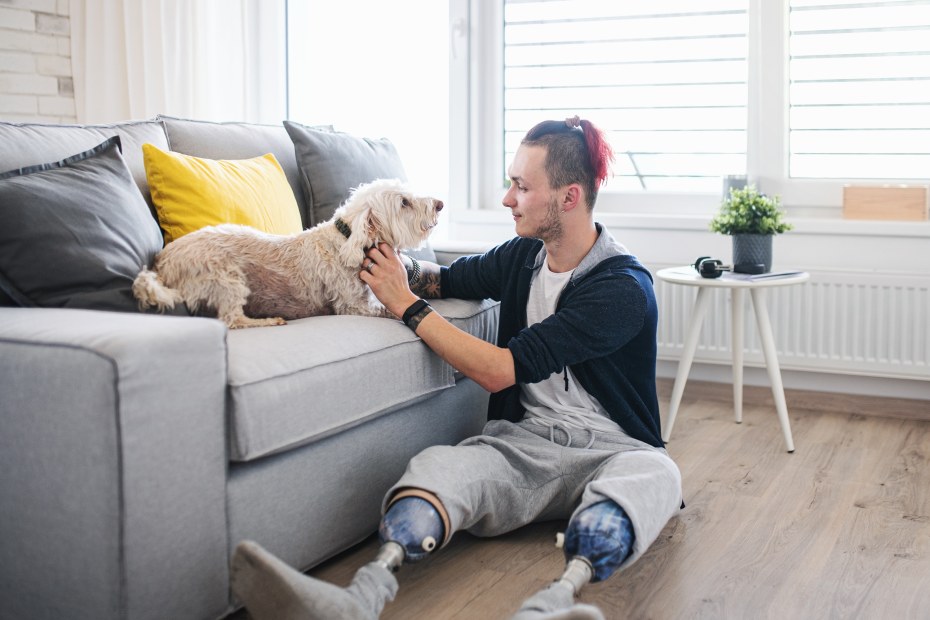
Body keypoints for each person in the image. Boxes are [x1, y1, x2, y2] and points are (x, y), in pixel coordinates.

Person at [230, 116, 683, 620]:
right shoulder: (523, 256)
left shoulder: (620, 287)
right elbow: (445, 279)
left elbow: (501, 369)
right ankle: (359, 598)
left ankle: (554, 603)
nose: (508, 198)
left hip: (614, 450)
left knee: (655, 473)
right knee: (438, 468)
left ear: (569, 197)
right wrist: (377, 261)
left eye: (521, 186)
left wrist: (405, 305)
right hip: (524, 445)